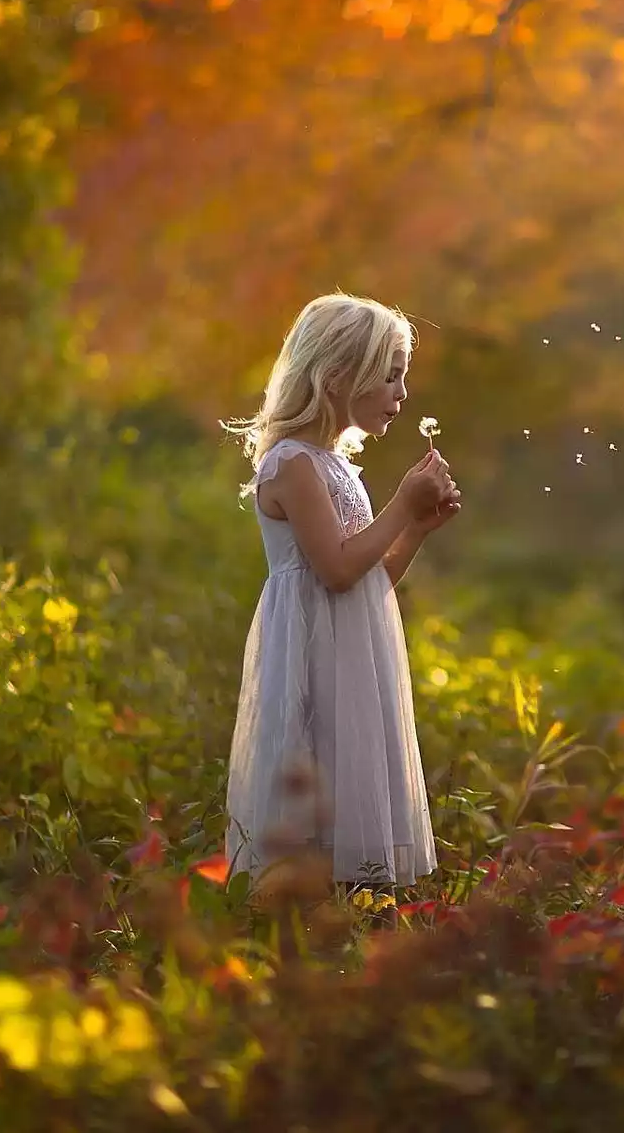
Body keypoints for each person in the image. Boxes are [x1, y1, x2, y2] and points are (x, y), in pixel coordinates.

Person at [221, 292, 461, 907]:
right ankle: (301, 919)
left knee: (351, 768)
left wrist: (415, 529)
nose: (401, 395)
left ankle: (350, 915)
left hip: (351, 655)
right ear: (336, 376)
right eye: (389, 377)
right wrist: (401, 504)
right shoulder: (292, 463)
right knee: (315, 768)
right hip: (311, 656)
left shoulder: (337, 466)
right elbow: (334, 570)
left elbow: (368, 575)